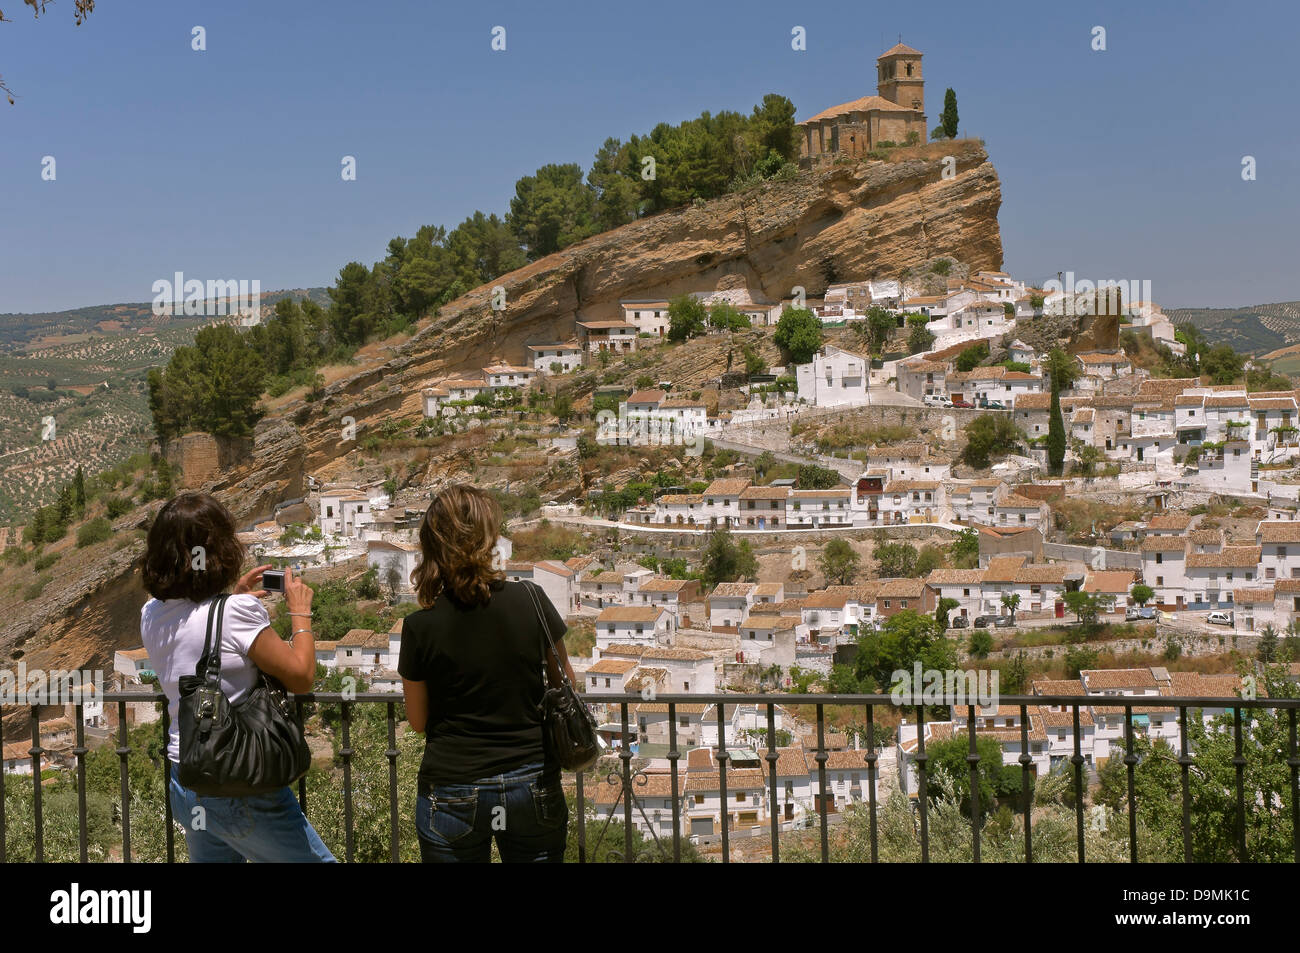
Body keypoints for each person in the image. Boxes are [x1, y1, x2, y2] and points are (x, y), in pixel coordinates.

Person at [139, 491, 334, 863]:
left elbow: (194, 632)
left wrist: (230, 598)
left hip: (187, 776)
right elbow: (301, 676)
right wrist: (300, 613)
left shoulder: (151, 615)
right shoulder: (235, 613)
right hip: (240, 782)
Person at [400, 484, 575, 863]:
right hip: (531, 780)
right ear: (488, 538)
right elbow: (567, 684)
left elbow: (416, 721)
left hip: (451, 789)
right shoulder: (531, 599)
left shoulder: (418, 626)